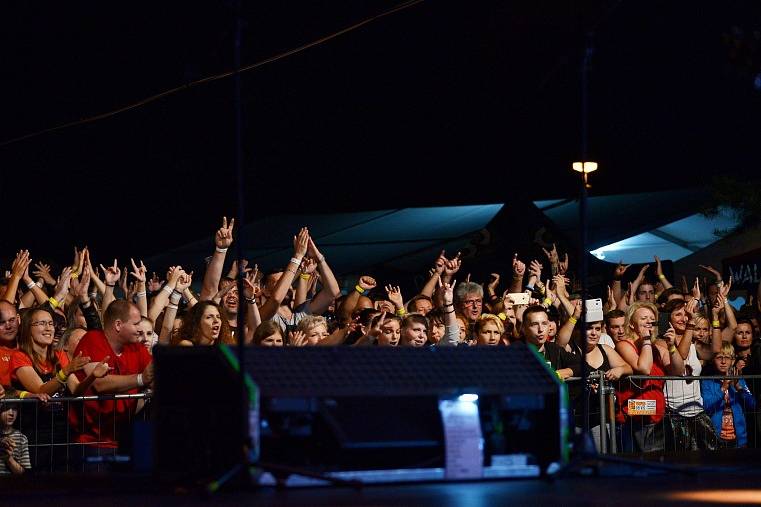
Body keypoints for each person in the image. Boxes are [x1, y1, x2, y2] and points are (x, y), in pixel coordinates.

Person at [68, 300, 153, 468]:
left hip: (124, 439)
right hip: (92, 443)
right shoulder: (93, 339)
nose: (140, 329)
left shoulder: (136, 348)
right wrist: (140, 379)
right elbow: (100, 383)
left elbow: (153, 375)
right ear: (118, 325)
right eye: (135, 324)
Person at [615, 301, 684, 453]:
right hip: (633, 419)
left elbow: (679, 371)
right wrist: (646, 339)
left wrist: (672, 346)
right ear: (632, 324)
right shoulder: (624, 345)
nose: (649, 322)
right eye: (643, 318)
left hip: (658, 418)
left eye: (652, 318)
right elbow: (644, 368)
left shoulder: (658, 349)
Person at [701, 343, 756, 448]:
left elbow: (752, 405)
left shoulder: (739, 380)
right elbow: (706, 407)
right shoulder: (707, 382)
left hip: (738, 439)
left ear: (733, 360)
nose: (723, 362)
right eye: (719, 357)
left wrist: (739, 387)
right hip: (715, 438)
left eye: (727, 357)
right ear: (713, 360)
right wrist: (723, 388)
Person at [0, 401, 30, 475]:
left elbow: (22, 473)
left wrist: (8, 457)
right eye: (6, 408)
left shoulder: (21, 438)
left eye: (14, 409)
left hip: (9, 484)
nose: (11, 413)